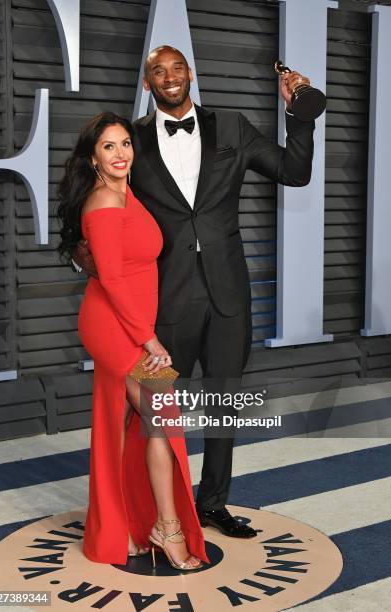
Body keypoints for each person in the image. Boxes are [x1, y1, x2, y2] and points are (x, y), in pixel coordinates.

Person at [71, 46, 315, 538]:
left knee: (225, 401)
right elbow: (94, 213)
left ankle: (212, 504)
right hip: (160, 302)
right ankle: (140, 512)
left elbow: (295, 172)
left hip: (229, 295)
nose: (170, 77)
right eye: (158, 71)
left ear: (190, 74)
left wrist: (299, 115)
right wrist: (87, 257)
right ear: (147, 84)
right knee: (152, 411)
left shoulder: (232, 126)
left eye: (177, 68)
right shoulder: (129, 141)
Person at [57, 112, 209, 570]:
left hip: (133, 324)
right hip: (115, 327)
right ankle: (166, 527)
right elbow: (114, 281)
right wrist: (148, 340)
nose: (121, 153)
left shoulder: (126, 194)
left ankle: (129, 525)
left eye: (125, 143)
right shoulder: (102, 202)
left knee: (144, 424)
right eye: (109, 146)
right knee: (161, 420)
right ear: (92, 157)